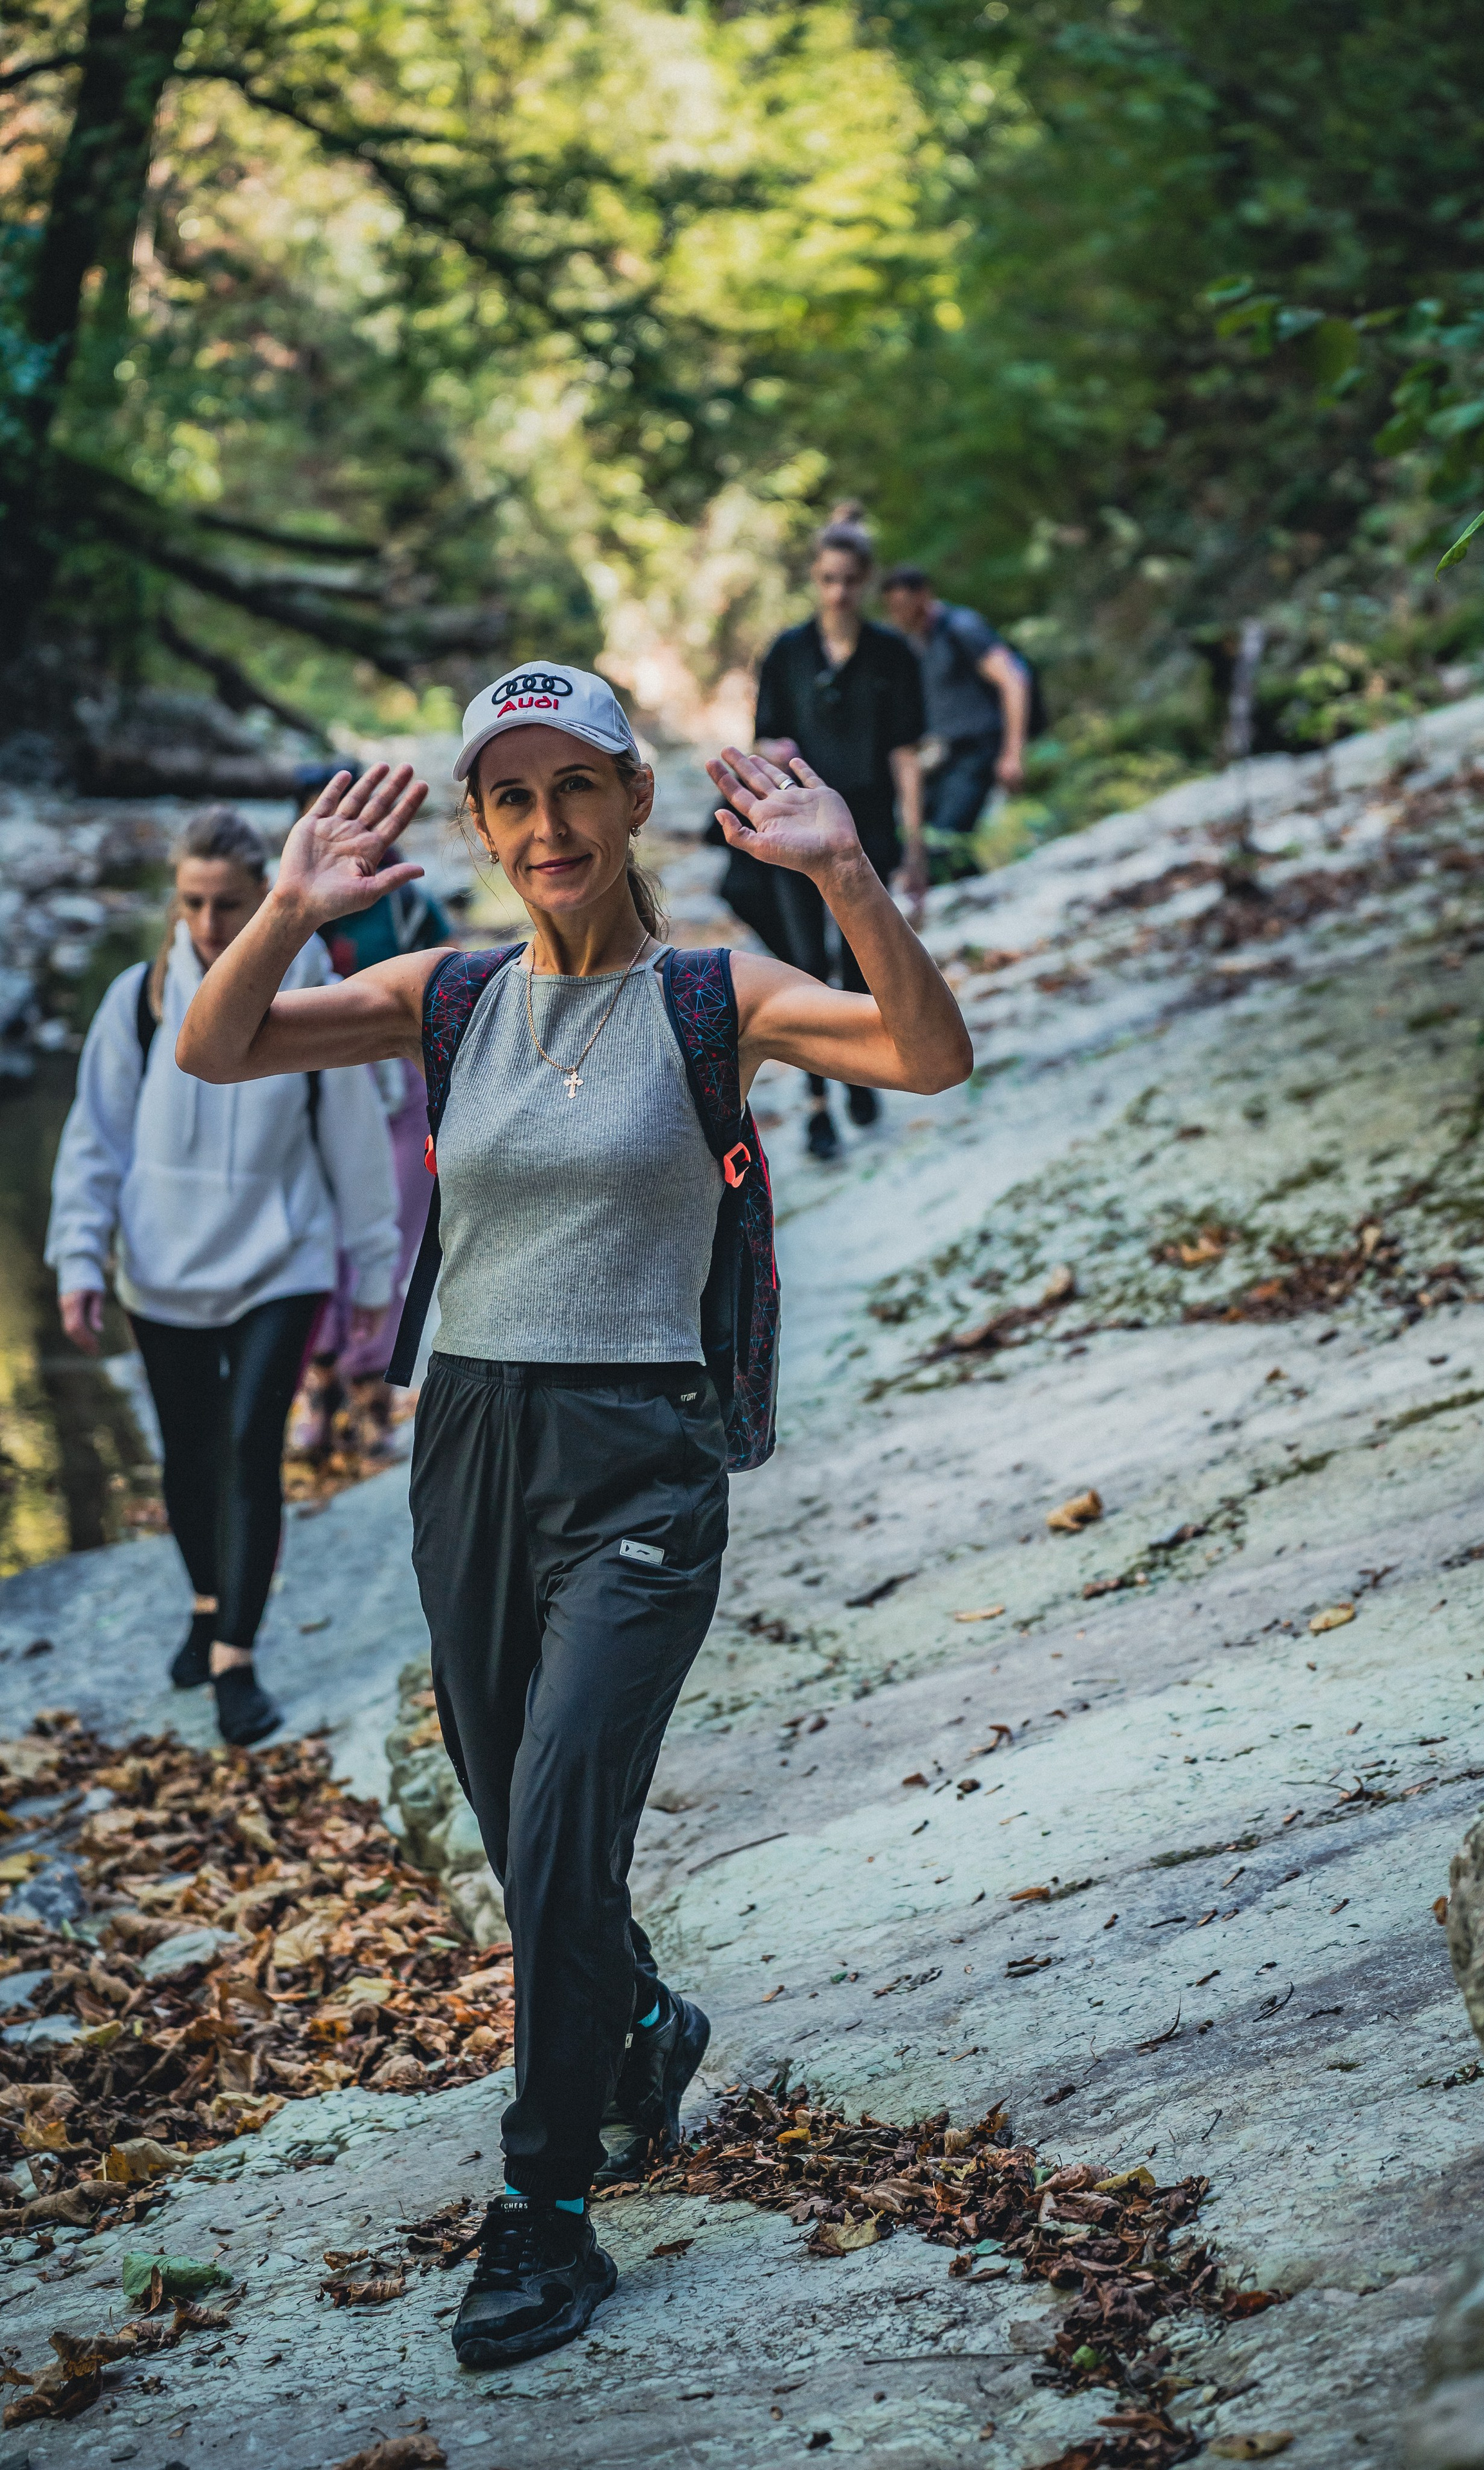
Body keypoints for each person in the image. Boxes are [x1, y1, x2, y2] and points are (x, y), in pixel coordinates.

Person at [173, 661, 971, 2368]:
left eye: (576, 788)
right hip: (468, 1441)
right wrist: (291, 907)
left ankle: (543, 2206)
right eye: (513, 798)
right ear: (482, 825)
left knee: (554, 1828)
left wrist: (846, 873)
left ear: (631, 802)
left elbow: (926, 1052)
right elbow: (215, 1043)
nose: (548, 825)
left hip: (637, 1455)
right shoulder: (447, 995)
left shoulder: (714, 992)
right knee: (511, 1820)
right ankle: (643, 2022)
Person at [45, 807, 399, 1746]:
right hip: (160, 1268)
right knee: (188, 1452)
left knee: (248, 1445)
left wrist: (374, 1272)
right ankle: (207, 1603)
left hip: (281, 1261)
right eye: (192, 903)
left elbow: (356, 1142)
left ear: (266, 899)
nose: (208, 923)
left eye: (229, 904)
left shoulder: (314, 995)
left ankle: (236, 1657)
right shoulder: (137, 1001)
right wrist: (79, 1254)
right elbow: (95, 1139)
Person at [287, 758, 455, 1459]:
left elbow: (452, 986)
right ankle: (318, 1388)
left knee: (391, 1241)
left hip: (400, 1091)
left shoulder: (409, 903)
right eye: (316, 813)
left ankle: (374, 1396)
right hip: (315, 1092)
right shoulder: (288, 903)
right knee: (321, 1239)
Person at [753, 502, 926, 1159]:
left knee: (860, 961)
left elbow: (906, 754)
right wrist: (775, 752)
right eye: (828, 579)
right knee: (805, 965)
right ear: (815, 578)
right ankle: (819, 1105)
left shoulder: (891, 655)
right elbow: (763, 736)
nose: (838, 592)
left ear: (867, 580)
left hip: (867, 829)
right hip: (799, 828)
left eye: (850, 580)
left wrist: (915, 844)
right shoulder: (787, 653)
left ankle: (859, 1074)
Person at [879, 563, 1033, 884]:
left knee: (944, 841)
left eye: (902, 605)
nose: (897, 615)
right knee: (919, 840)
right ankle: (979, 891)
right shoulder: (914, 644)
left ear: (922, 595)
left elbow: (1013, 681)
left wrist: (1012, 754)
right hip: (945, 756)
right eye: (891, 608)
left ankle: (984, 894)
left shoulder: (961, 627)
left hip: (980, 749)